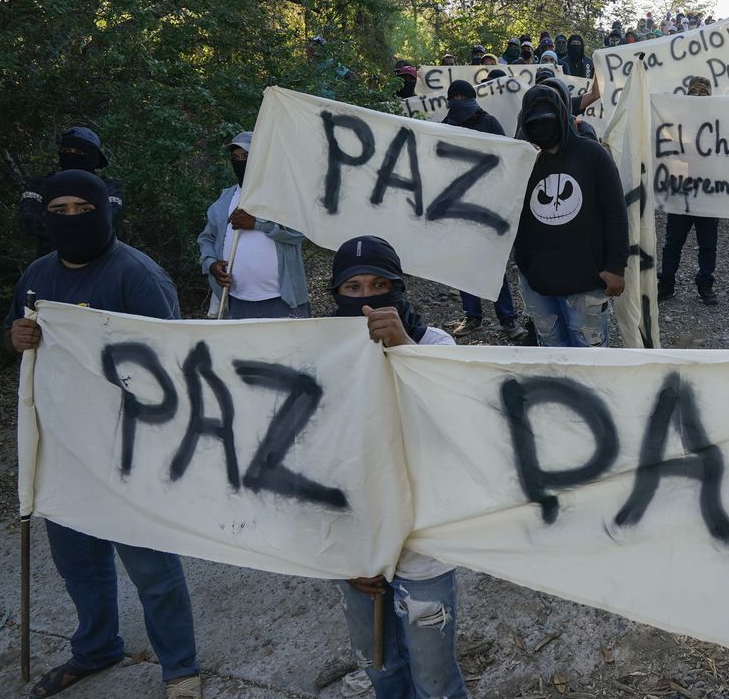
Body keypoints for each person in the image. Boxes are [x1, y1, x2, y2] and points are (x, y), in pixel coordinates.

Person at [5, 169, 202, 699]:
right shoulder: (36, 276)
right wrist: (18, 337)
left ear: (105, 210)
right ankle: (96, 648)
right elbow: (16, 339)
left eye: (82, 209)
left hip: (128, 449)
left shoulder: (138, 276)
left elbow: (172, 362)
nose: (71, 219)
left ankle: (179, 667)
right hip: (61, 446)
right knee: (78, 564)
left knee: (150, 565)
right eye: (59, 210)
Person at [329, 235, 469, 699]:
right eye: (353, 288)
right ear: (337, 295)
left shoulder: (436, 345)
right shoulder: (322, 358)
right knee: (380, 666)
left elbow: (457, 431)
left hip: (423, 546)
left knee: (435, 679)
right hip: (358, 544)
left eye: (378, 284)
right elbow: (315, 456)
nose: (367, 297)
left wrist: (405, 349)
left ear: (399, 289)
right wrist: (349, 551)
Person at [513, 83, 627, 346]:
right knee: (553, 355)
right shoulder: (521, 161)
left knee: (590, 361)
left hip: (585, 282)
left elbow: (616, 212)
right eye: (534, 121)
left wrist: (615, 266)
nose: (541, 126)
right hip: (537, 282)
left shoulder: (593, 154)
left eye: (547, 119)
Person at [436, 81, 528, 341]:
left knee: (492, 265)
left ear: (473, 98)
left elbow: (507, 162)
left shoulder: (489, 123)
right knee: (464, 264)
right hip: (458, 207)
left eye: (463, 96)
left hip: (488, 207)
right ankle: (472, 316)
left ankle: (508, 319)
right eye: (454, 96)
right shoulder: (445, 126)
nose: (458, 100)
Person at [197, 132, 309, 319]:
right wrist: (211, 263)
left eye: (246, 156)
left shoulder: (283, 195)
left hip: (283, 301)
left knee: (290, 349)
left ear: (260, 157)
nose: (239, 162)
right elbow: (207, 237)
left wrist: (257, 224)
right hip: (236, 301)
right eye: (235, 158)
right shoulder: (226, 199)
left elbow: (300, 232)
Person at [657, 77, 720, 306]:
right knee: (673, 242)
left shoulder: (719, 123)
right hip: (682, 191)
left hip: (707, 193)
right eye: (695, 97)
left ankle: (705, 284)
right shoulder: (676, 123)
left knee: (708, 244)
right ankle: (667, 283)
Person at [18, 127, 124, 257]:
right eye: (66, 150)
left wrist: (56, 220)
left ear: (94, 157)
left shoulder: (109, 187)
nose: (71, 155)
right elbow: (28, 221)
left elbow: (107, 220)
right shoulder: (40, 184)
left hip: (100, 263)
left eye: (79, 152)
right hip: (52, 264)